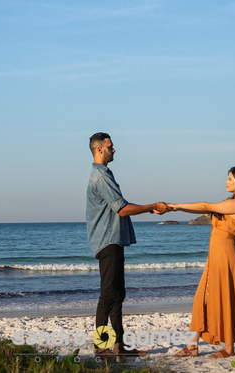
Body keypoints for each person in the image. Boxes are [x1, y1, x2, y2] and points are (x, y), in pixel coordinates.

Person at [85, 132, 168, 358]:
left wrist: (150, 208)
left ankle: (119, 346)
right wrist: (152, 205)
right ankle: (101, 347)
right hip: (107, 241)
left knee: (118, 294)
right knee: (108, 295)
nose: (114, 149)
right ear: (99, 149)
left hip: (114, 240)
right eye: (111, 146)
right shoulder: (100, 178)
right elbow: (121, 208)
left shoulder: (105, 174)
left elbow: (121, 207)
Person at [168, 166, 235, 359]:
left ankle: (228, 348)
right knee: (201, 298)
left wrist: (175, 206)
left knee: (226, 298)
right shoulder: (232, 203)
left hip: (226, 256)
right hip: (216, 256)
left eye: (230, 179)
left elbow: (205, 206)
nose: (226, 182)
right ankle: (193, 345)